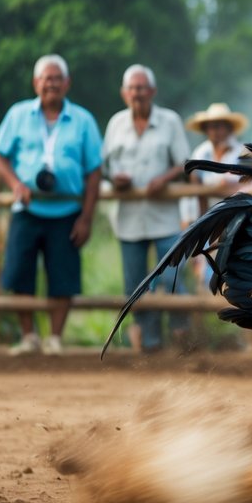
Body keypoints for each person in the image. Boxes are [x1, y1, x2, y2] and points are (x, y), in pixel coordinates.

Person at [0, 54, 103, 356]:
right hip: (26, 209)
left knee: (63, 275)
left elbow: (94, 171)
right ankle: (29, 337)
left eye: (56, 78)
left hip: (67, 212)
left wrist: (87, 218)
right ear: (35, 83)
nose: (51, 84)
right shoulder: (18, 114)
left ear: (67, 83)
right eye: (45, 78)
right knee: (19, 272)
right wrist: (15, 184)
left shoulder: (83, 120)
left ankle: (54, 338)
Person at [103, 64, 192, 353]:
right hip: (128, 218)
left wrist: (164, 178)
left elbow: (185, 164)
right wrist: (115, 179)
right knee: (137, 286)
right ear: (123, 93)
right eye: (132, 88)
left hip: (164, 215)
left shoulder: (169, 121)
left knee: (173, 276)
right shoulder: (116, 123)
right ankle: (151, 345)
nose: (137, 93)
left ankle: (182, 340)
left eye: (142, 88)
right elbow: (103, 166)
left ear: (152, 91)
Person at [182, 102, 251, 289]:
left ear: (229, 128)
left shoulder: (241, 153)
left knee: (234, 267)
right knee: (206, 270)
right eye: (212, 126)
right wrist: (193, 222)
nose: (216, 131)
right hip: (209, 220)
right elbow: (194, 192)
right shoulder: (200, 153)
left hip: (237, 219)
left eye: (220, 126)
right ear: (206, 129)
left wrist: (232, 185)